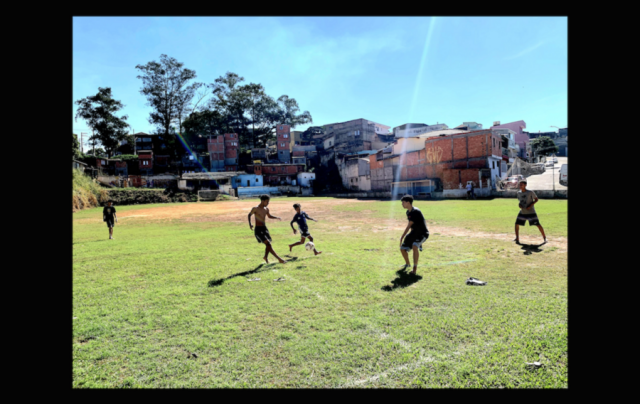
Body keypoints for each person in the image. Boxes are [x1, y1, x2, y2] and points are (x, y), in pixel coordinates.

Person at [248, 194, 287, 264]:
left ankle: (265, 257)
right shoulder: (255, 208)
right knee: (268, 244)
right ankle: (279, 259)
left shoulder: (266, 209)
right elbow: (249, 215)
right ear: (262, 201)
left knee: (268, 244)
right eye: (267, 201)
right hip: (258, 230)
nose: (268, 203)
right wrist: (250, 224)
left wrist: (276, 217)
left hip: (264, 228)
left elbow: (269, 216)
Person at [399, 195, 429, 275]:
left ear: (408, 203)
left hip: (422, 233)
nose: (402, 204)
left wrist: (402, 236)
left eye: (403, 202)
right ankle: (408, 264)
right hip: (414, 232)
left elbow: (409, 225)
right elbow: (412, 227)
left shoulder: (415, 211)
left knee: (415, 246)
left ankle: (414, 269)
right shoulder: (408, 212)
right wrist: (409, 237)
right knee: (402, 248)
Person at [514, 180, 547, 245]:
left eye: (521, 185)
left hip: (531, 212)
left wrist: (530, 205)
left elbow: (536, 199)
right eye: (519, 185)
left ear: (525, 185)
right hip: (522, 212)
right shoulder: (518, 193)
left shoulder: (530, 192)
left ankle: (545, 238)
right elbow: (520, 201)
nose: (520, 186)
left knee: (538, 225)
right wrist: (519, 205)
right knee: (516, 224)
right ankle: (517, 238)